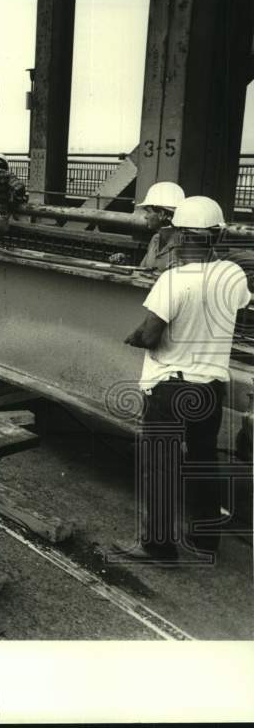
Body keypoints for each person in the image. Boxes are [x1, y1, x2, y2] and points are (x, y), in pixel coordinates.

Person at [116, 196, 252, 563]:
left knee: (159, 467)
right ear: (217, 235)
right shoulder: (233, 276)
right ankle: (206, 539)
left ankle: (158, 548)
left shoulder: (172, 280)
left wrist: (134, 336)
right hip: (210, 386)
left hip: (171, 388)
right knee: (203, 461)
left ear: (178, 236)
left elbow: (150, 335)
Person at [108, 181, 184, 270]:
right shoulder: (155, 239)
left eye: (148, 211)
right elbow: (143, 270)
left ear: (161, 214)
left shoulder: (184, 246)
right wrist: (125, 263)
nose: (146, 216)